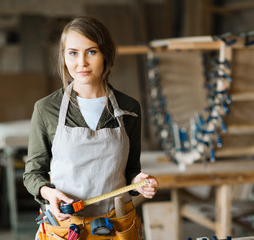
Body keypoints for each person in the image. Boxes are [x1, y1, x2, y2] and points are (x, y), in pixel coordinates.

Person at [23, 16, 158, 240]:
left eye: (91, 51)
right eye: (73, 53)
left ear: (105, 54)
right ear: (64, 57)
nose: (82, 63)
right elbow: (32, 174)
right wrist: (48, 192)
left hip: (116, 224)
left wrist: (141, 183)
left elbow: (131, 171)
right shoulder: (47, 109)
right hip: (65, 227)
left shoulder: (128, 108)